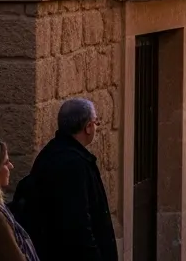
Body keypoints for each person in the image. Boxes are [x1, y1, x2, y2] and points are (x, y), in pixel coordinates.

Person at [16, 98, 116, 261]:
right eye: (95, 122)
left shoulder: (51, 153)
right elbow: (78, 224)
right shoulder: (73, 164)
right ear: (88, 127)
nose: (96, 127)